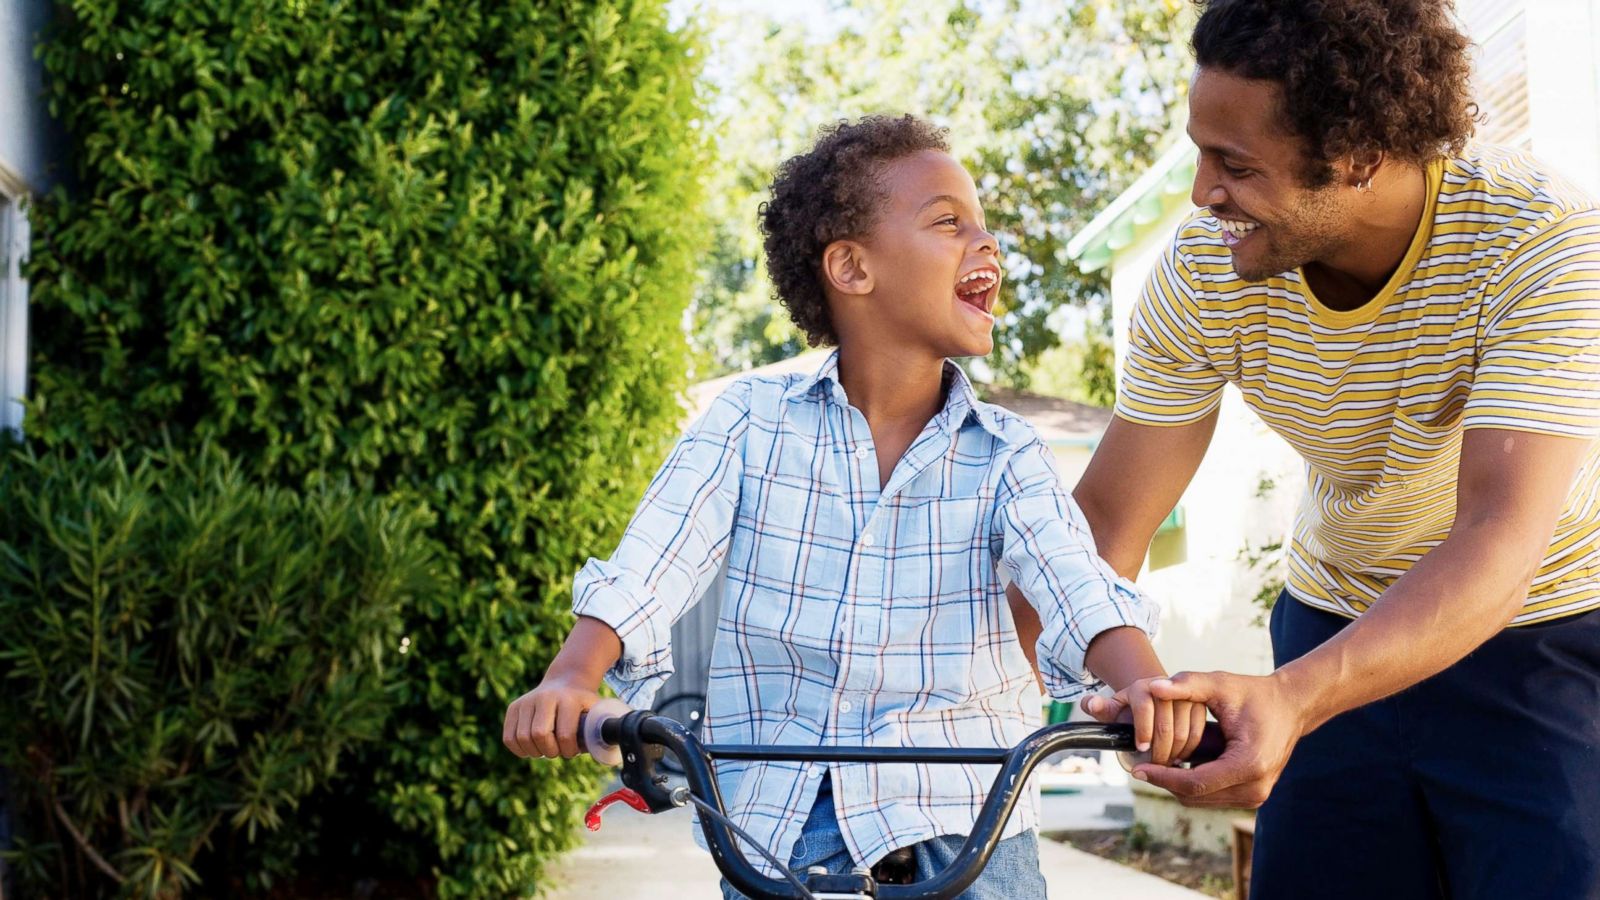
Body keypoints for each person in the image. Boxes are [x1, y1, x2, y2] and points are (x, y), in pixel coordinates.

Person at [502, 115, 1206, 899]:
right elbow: (651, 565)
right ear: (851, 267)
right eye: (949, 222)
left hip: (967, 827)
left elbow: (1077, 584)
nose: (987, 243)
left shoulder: (1008, 452)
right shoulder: (748, 422)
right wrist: (574, 675)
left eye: (983, 224)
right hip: (777, 828)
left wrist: (1144, 684)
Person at [1054, 2, 1600, 897]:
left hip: (1540, 642)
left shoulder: (1544, 244)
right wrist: (1123, 686)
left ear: (1359, 156)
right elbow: (1110, 516)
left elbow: (1497, 540)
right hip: (1330, 618)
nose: (1201, 194)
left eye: (1235, 165)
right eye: (1200, 152)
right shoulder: (1207, 269)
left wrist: (1295, 698)